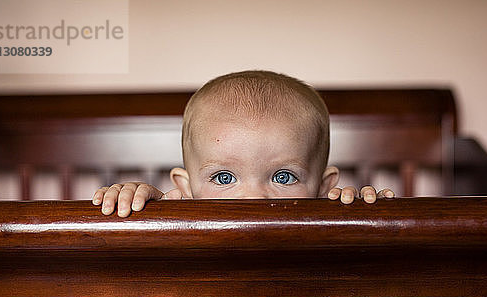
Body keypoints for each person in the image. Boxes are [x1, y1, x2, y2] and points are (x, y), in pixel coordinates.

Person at [93, 70, 393, 217]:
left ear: (324, 187)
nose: (254, 199)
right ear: (186, 189)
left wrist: (361, 215)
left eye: (283, 176)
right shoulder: (179, 242)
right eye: (224, 178)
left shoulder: (334, 237)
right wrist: (146, 214)